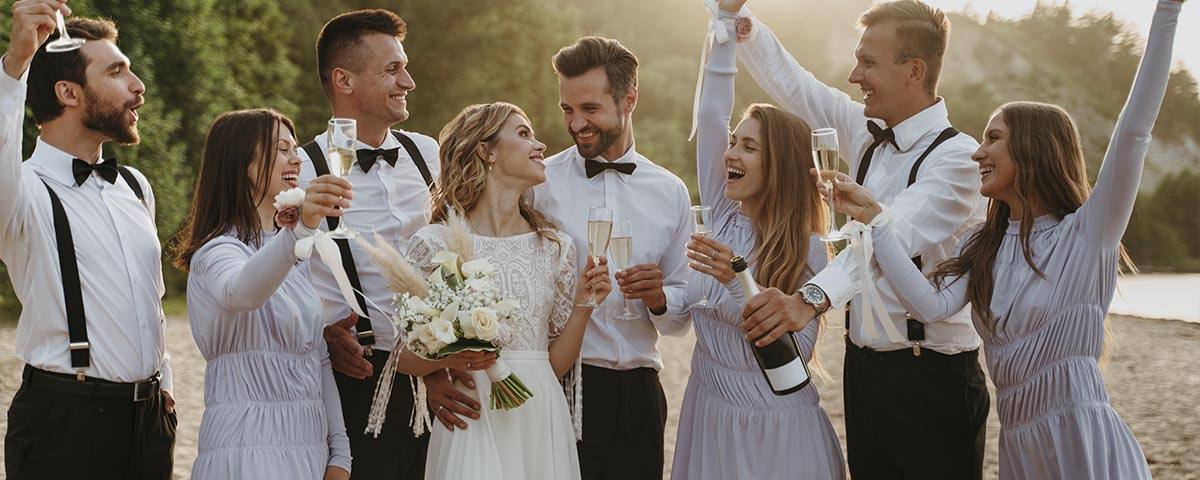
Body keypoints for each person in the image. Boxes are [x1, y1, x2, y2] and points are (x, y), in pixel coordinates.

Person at [826, 1, 1182, 477]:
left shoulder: (1086, 235)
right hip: (1019, 444)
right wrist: (876, 220)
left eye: (993, 139)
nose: (977, 151)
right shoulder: (984, 248)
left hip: (1080, 435)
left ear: (1033, 150)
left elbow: (1135, 131)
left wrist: (1168, 11)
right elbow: (929, 308)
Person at [729, 0, 990, 477]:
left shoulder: (958, 160)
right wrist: (740, 22)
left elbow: (884, 241)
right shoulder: (864, 135)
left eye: (868, 62)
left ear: (914, 71)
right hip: (864, 373)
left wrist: (809, 299)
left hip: (931, 379)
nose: (854, 76)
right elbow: (797, 87)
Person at [426, 36, 694, 480]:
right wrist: (440, 369)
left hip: (641, 392)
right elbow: (473, 260)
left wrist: (660, 298)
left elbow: (680, 317)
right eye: (567, 110)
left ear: (630, 98)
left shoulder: (671, 192)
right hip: (562, 386)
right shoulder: (536, 182)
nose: (576, 123)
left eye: (590, 109)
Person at [669, 6, 845, 479]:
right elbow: (709, 114)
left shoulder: (806, 246)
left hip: (776, 429)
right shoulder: (724, 214)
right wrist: (724, 27)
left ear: (780, 166)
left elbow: (795, 351)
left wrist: (736, 278)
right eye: (734, 142)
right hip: (708, 415)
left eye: (748, 147)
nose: (729, 152)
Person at [1, 4, 176, 478]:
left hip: (150, 422)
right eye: (118, 72)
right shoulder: (21, 191)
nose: (138, 87)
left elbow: (152, 301)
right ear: (68, 93)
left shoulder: (135, 186)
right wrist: (15, 63)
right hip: (65, 423)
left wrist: (168, 392)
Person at [415, 102, 610, 479]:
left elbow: (551, 362)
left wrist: (585, 304)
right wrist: (454, 355)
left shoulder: (556, 247)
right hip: (472, 415)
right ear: (486, 151)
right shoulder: (435, 243)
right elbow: (405, 360)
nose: (540, 145)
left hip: (540, 413)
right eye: (523, 134)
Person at [298, 9, 451, 478]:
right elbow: (282, 275)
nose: (409, 81)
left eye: (404, 66)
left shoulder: (427, 155)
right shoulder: (304, 169)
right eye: (392, 69)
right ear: (343, 79)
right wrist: (324, 332)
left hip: (439, 377)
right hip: (356, 379)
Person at [173, 109, 353, 479]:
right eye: (281, 148)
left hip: (308, 447)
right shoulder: (216, 251)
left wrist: (340, 453)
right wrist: (299, 230)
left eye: (294, 147)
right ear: (245, 164)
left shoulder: (292, 250)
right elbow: (241, 293)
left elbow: (317, 357)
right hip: (247, 446)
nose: (296, 157)